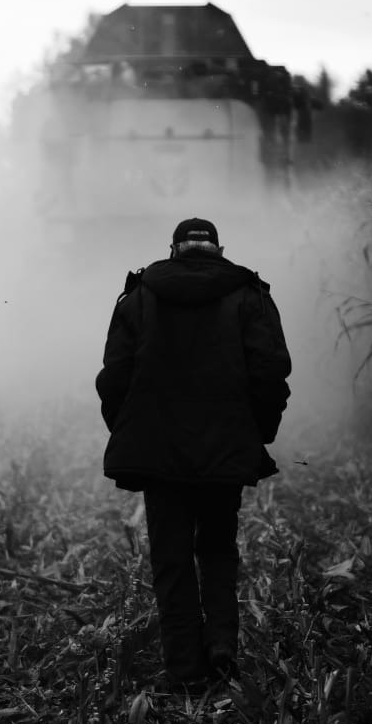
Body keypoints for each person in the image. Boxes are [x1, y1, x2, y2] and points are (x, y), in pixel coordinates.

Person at [95, 217, 291, 690]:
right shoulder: (249, 294)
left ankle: (184, 666)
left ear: (174, 249)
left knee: (171, 558)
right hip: (226, 448)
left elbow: (114, 376)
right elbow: (270, 373)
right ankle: (221, 642)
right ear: (218, 250)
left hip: (158, 451)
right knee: (219, 548)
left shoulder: (140, 296)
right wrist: (257, 433)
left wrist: (130, 430)